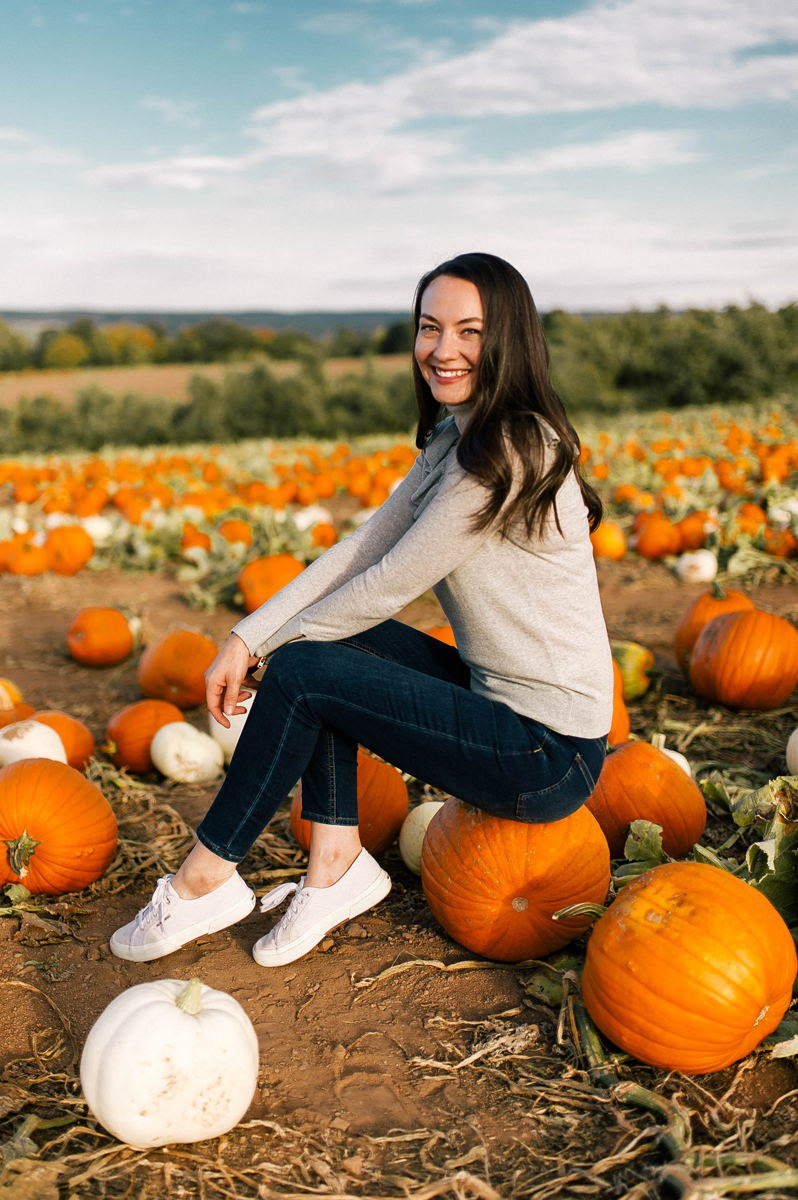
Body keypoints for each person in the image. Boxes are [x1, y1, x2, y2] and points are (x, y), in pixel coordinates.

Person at [110, 252, 613, 968]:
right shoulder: (455, 439)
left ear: (508, 339)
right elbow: (360, 549)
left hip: (546, 752)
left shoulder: (508, 451)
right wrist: (247, 636)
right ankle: (337, 858)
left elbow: (386, 584)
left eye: (469, 332)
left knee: (310, 667)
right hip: (501, 703)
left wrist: (272, 653)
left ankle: (205, 878)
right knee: (322, 655)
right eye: (429, 327)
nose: (443, 350)